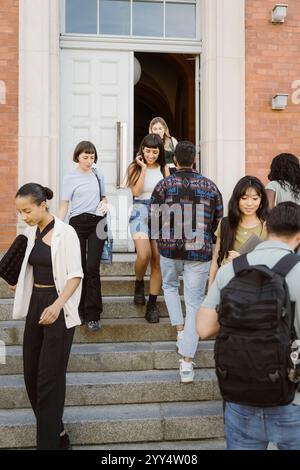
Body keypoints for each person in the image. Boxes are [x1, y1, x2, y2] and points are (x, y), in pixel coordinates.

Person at [196, 202, 300, 450]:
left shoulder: (232, 269)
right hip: (293, 401)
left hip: (241, 397)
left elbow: (203, 328)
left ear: (265, 227)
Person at [12, 183, 83, 450]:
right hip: (35, 306)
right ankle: (59, 433)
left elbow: (76, 275)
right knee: (31, 376)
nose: (23, 217)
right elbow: (31, 268)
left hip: (58, 310)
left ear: (43, 205)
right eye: (20, 212)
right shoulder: (31, 233)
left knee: (49, 380)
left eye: (27, 210)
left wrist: (57, 305)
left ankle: (49, 445)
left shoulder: (67, 233)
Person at [150, 141, 223, 382]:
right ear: (194, 159)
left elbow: (153, 219)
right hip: (199, 251)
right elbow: (218, 222)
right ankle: (187, 362)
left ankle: (181, 331)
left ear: (174, 160)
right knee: (194, 302)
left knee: (169, 288)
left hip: (169, 249)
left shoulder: (163, 185)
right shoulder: (210, 187)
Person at [57, 141, 108, 332]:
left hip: (98, 223)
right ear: (77, 156)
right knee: (77, 268)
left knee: (92, 267)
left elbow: (104, 197)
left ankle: (93, 315)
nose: (89, 161)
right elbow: (64, 206)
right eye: (85, 157)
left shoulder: (98, 173)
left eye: (92, 157)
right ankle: (77, 309)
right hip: (77, 224)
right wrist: (56, 228)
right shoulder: (69, 178)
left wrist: (105, 204)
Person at [127, 133, 169, 323]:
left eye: (154, 151)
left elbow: (168, 194)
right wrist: (143, 168)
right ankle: (138, 283)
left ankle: (152, 304)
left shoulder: (164, 168)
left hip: (160, 212)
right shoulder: (134, 167)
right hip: (139, 210)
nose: (151, 155)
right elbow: (136, 192)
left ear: (159, 151)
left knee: (157, 259)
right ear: (142, 150)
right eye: (147, 151)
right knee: (143, 254)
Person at [208, 176, 269, 289]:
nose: (249, 203)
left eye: (255, 199)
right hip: (227, 285)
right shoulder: (225, 223)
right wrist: (210, 288)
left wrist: (242, 259)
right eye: (244, 198)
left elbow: (271, 260)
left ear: (261, 201)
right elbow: (216, 258)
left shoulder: (268, 226)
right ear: (237, 199)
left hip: (256, 288)